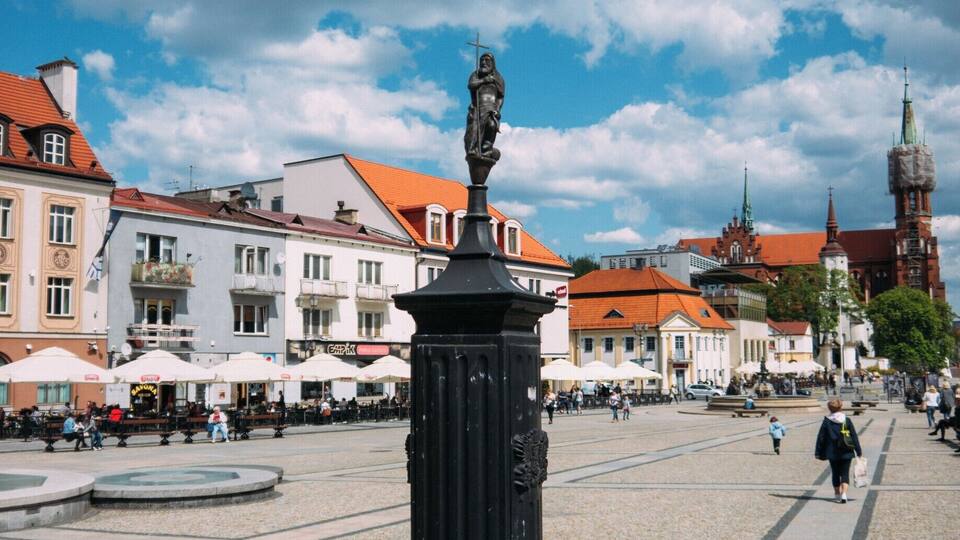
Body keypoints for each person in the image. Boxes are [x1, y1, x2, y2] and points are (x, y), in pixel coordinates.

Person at [815, 399, 863, 504]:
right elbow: (854, 436)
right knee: (845, 473)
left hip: (832, 452)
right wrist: (858, 451)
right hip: (847, 450)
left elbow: (821, 437)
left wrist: (818, 452)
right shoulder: (847, 420)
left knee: (835, 473)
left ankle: (837, 494)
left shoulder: (827, 421)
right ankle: (844, 494)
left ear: (829, 408)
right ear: (840, 407)